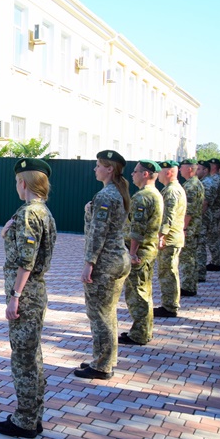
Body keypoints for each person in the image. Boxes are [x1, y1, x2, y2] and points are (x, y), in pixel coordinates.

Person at [0, 158, 56, 439]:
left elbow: (26, 261)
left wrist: (15, 296)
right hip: (35, 291)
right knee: (33, 357)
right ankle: (33, 415)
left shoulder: (29, 213)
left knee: (23, 360)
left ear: (23, 182)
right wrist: (8, 233)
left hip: (26, 294)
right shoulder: (43, 211)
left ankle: (25, 420)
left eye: (17, 181)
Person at [76, 149, 130, 380]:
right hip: (117, 258)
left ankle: (101, 365)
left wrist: (90, 263)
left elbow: (98, 232)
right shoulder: (116, 192)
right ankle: (105, 358)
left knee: (99, 314)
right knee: (107, 314)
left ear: (110, 168)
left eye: (99, 165)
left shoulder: (107, 195)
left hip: (106, 262)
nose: (95, 168)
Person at [120, 160, 163, 346]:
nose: (132, 174)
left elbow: (137, 228)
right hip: (148, 250)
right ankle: (143, 330)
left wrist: (132, 252)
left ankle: (140, 334)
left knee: (137, 293)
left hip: (140, 252)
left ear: (145, 174)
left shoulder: (142, 197)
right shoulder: (156, 194)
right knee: (144, 291)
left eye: (136, 171)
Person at [153, 160, 187, 318]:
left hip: (170, 239)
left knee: (168, 273)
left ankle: (169, 306)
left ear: (168, 173)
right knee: (168, 272)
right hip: (173, 237)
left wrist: (162, 235)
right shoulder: (173, 189)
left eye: (160, 171)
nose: (157, 174)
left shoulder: (172, 191)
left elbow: (169, 215)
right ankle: (169, 304)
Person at [179, 159, 204, 296]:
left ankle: (188, 287)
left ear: (189, 169)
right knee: (191, 257)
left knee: (187, 258)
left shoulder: (190, 186)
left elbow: (188, 211)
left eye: (182, 167)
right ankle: (191, 285)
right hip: (195, 225)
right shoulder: (196, 183)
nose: (180, 170)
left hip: (189, 227)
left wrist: (184, 229)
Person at [196, 160, 217, 282]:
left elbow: (205, 203)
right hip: (204, 217)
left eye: (199, 169)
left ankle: (200, 273)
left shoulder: (207, 183)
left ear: (206, 170)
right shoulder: (203, 182)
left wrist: (198, 218)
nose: (196, 171)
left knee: (200, 244)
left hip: (204, 217)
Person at [206, 158, 220, 272]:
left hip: (215, 211)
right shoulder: (217, 178)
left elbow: (211, 198)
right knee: (214, 237)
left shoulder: (215, 179)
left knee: (213, 237)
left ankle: (215, 262)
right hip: (217, 210)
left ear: (214, 167)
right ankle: (216, 261)